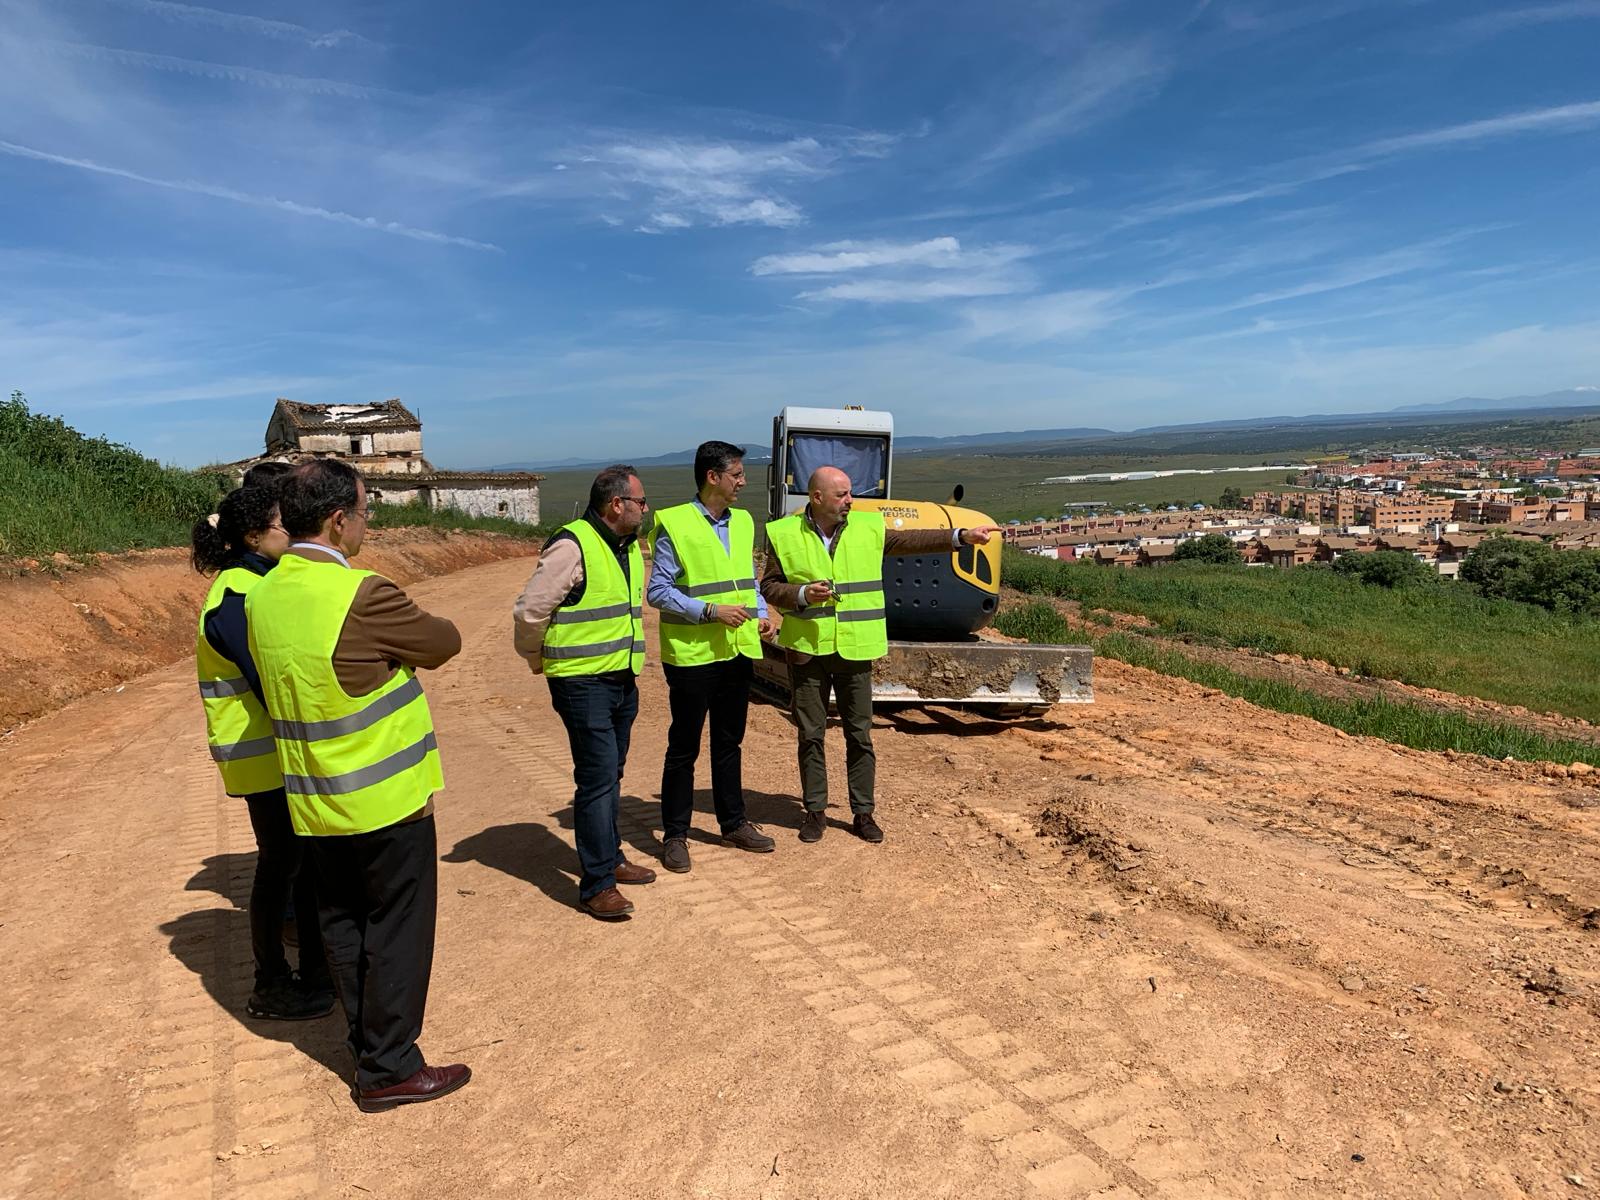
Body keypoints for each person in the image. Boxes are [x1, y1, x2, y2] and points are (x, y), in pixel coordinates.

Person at [246, 460, 470, 1113]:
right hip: (383, 799)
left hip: (313, 797)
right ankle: (391, 1066)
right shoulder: (362, 593)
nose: (368, 524)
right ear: (339, 519)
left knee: (341, 922)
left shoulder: (263, 595)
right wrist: (392, 652)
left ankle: (364, 1044)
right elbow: (442, 641)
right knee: (395, 927)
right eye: (366, 512)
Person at [761, 466, 999, 843]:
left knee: (860, 735)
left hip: (855, 647)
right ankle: (815, 811)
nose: (850, 500)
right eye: (841, 495)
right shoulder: (782, 532)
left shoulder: (868, 527)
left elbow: (913, 541)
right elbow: (770, 586)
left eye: (850, 493)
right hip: (807, 648)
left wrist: (960, 536)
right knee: (810, 733)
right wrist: (802, 595)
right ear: (817, 497)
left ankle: (863, 813)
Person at [191, 483, 333, 1021]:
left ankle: (316, 973)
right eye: (282, 526)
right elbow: (270, 678)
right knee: (283, 867)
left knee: (298, 866)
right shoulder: (237, 597)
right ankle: (272, 982)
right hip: (263, 755)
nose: (291, 534)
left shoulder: (259, 582)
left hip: (279, 750)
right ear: (253, 535)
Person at [513, 465, 655, 919]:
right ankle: (597, 884)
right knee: (596, 780)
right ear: (617, 505)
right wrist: (538, 659)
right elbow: (530, 611)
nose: (646, 508)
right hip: (581, 682)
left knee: (610, 774)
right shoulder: (571, 545)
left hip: (620, 677)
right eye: (641, 501)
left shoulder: (629, 546)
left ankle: (610, 857)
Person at [646, 441, 777, 873]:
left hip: (736, 651)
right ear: (712, 477)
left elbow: (748, 580)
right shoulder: (676, 524)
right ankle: (676, 835)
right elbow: (658, 592)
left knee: (729, 743)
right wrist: (709, 611)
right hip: (691, 655)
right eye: (737, 474)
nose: (744, 481)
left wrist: (760, 613)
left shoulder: (743, 522)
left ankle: (733, 822)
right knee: (683, 748)